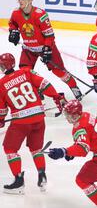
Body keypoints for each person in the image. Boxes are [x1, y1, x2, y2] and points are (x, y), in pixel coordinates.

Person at [0, 53, 65, 194]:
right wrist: (56, 96)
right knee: (36, 149)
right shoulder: (26, 72)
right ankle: (42, 175)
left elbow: (2, 109)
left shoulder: (1, 84)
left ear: (4, 66)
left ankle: (18, 182)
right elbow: (45, 84)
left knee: (10, 149)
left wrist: (1, 120)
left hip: (20, 122)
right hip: (39, 119)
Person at [8, 0, 81, 99]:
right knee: (25, 71)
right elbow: (12, 24)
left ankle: (74, 87)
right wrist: (13, 31)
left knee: (58, 71)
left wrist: (47, 49)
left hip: (45, 47)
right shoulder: (15, 13)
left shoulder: (40, 14)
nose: (20, 1)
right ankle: (37, 90)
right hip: (28, 48)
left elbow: (50, 35)